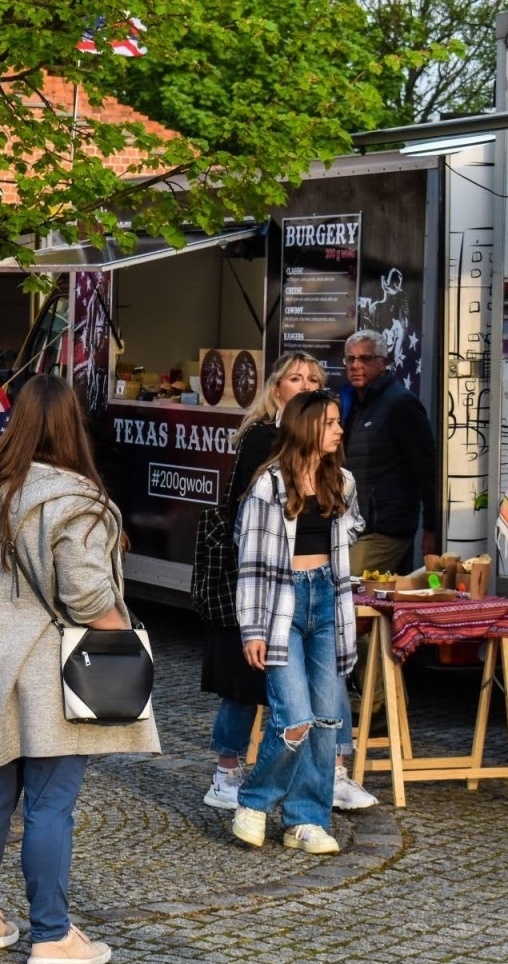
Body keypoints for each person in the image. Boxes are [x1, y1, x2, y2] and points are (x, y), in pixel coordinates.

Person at [0, 374, 160, 964]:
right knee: (50, 805)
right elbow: (89, 599)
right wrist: (127, 649)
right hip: (55, 672)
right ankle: (52, 936)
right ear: (70, 427)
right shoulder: (76, 501)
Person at [201, 353, 377, 812]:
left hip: (322, 592)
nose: (304, 385)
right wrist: (255, 613)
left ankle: (312, 805)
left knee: (320, 700)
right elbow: (250, 528)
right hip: (266, 584)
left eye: (314, 379)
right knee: (274, 702)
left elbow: (348, 521)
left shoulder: (339, 475)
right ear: (277, 387)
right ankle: (237, 778)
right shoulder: (265, 445)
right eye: (294, 378)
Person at [232, 389, 364, 855]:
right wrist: (251, 629)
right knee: (294, 719)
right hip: (281, 606)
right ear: (307, 426)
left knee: (328, 719)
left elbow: (349, 536)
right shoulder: (268, 485)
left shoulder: (341, 481)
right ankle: (253, 800)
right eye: (330, 422)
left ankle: (305, 819)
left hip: (327, 600)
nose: (338, 430)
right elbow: (248, 562)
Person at [341, 330, 438, 576]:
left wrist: (431, 529)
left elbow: (427, 471)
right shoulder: (351, 402)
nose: (356, 365)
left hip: (385, 528)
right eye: (350, 359)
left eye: (365, 359)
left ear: (384, 362)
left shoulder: (401, 404)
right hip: (353, 524)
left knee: (349, 589)